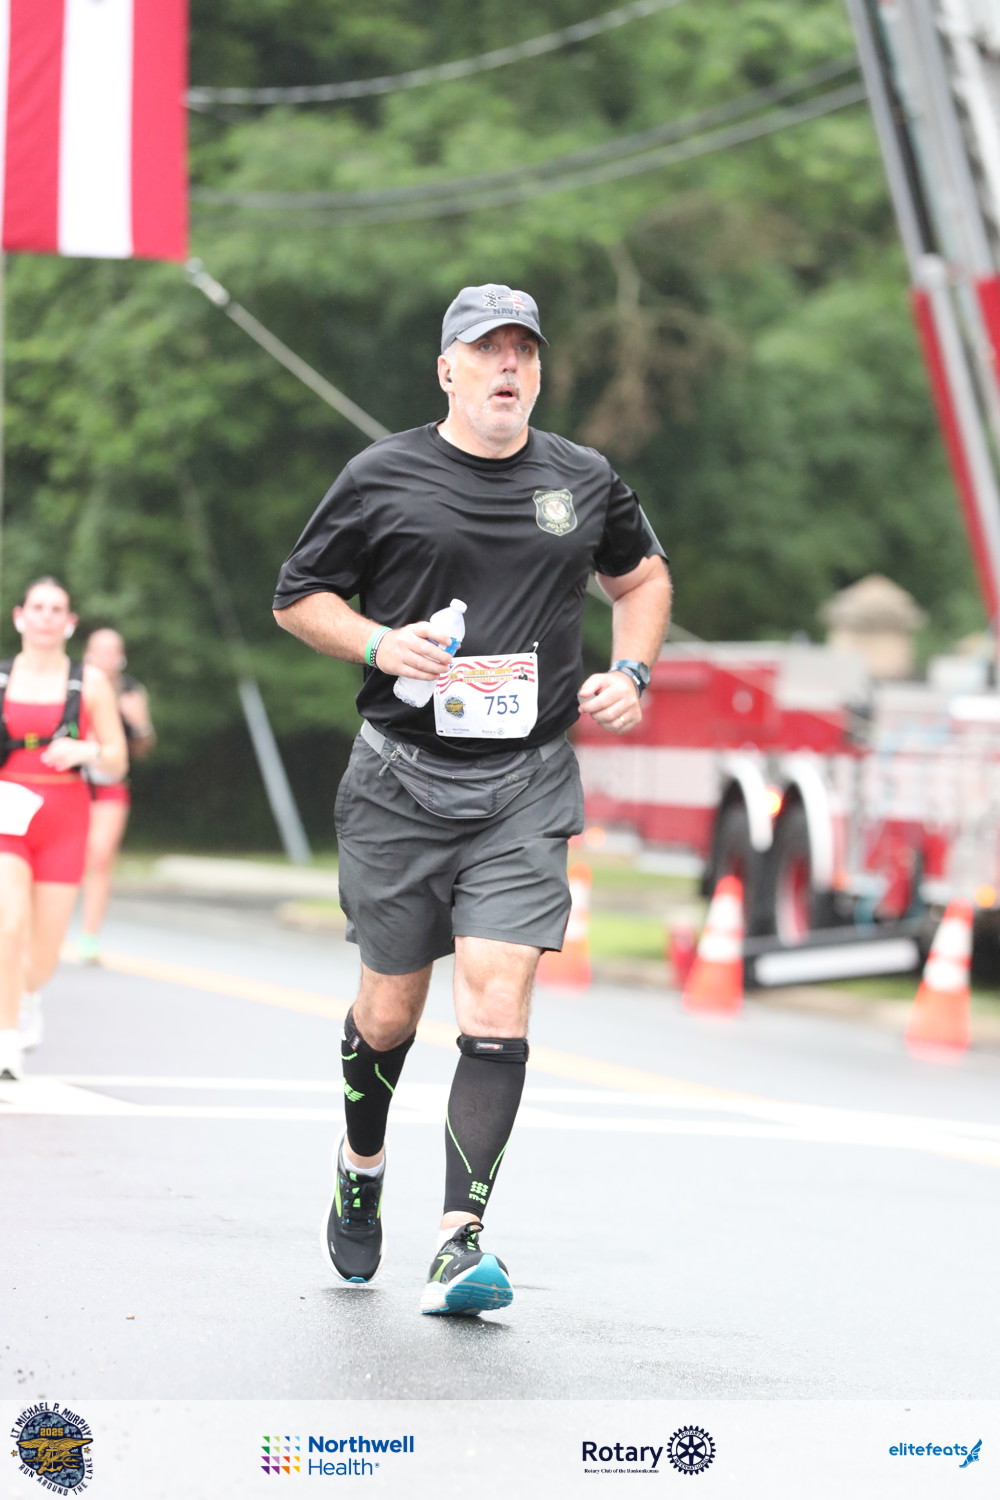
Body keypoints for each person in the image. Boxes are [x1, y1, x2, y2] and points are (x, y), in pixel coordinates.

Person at [273, 283, 671, 1315]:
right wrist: (376, 642)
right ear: (446, 369)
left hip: (525, 781)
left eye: (523, 351)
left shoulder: (582, 479)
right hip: (399, 781)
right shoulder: (382, 475)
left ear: (538, 371)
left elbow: (641, 579)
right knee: (389, 1009)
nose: (508, 367)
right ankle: (361, 1163)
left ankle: (460, 1240)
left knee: (496, 996)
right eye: (487, 350)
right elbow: (298, 597)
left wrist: (630, 672)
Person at [0, 578, 128, 1080]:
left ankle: (27, 996)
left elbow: (117, 760)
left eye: (57, 609)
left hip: (64, 819)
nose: (46, 616)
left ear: (70, 623)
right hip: (8, 815)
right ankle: (6, 1039)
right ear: (20, 617)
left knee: (44, 954)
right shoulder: (2, 677)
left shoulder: (89, 682)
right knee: (8, 924)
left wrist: (87, 749)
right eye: (38, 607)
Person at [78, 628, 156, 964]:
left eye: (113, 651)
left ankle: (89, 936)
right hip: (72, 782)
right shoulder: (73, 686)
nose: (107, 657)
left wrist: (140, 722)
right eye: (101, 650)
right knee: (70, 857)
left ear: (121, 657)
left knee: (100, 856)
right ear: (88, 654)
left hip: (110, 784)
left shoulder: (131, 691)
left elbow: (143, 749)